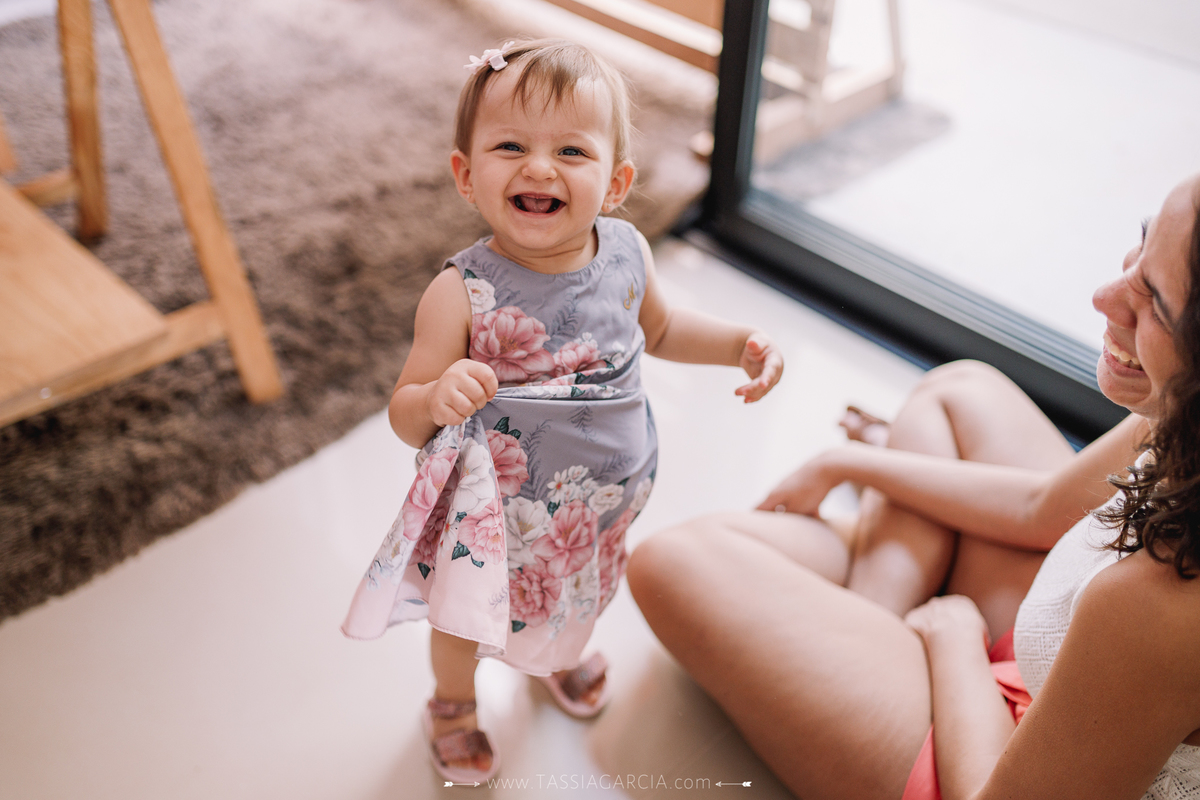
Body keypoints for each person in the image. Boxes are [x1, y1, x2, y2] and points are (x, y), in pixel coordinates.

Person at [628, 172, 1200, 800]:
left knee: (670, 559)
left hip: (999, 761)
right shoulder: (1180, 418)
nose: (1104, 297)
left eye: (1153, 303)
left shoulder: (1163, 603)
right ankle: (879, 603)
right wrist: (848, 465)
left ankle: (874, 623)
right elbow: (1041, 508)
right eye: (1140, 245)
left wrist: (952, 640)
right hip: (1063, 672)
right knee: (961, 389)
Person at [340, 39, 784, 783]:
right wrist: (435, 397)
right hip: (492, 517)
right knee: (465, 617)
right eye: (510, 145)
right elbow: (404, 412)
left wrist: (738, 342)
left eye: (571, 151)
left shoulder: (627, 253)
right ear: (465, 174)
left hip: (595, 504)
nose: (539, 168)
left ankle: (555, 656)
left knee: (578, 592)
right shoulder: (462, 292)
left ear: (615, 183)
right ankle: (453, 703)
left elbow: (664, 330)